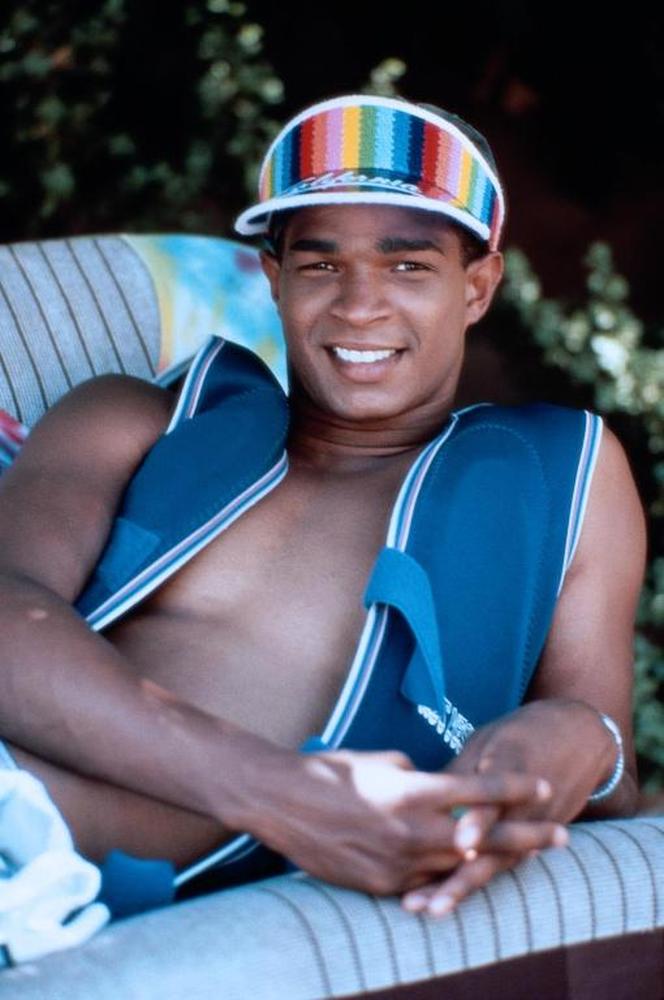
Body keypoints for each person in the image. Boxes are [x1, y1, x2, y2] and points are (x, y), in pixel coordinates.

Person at [0, 92, 647, 922]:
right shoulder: (137, 420)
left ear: (478, 287)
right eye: (320, 265)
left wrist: (581, 735)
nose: (358, 305)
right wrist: (288, 796)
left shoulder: (563, 475)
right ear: (274, 280)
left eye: (408, 267)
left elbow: (613, 784)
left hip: (105, 917)